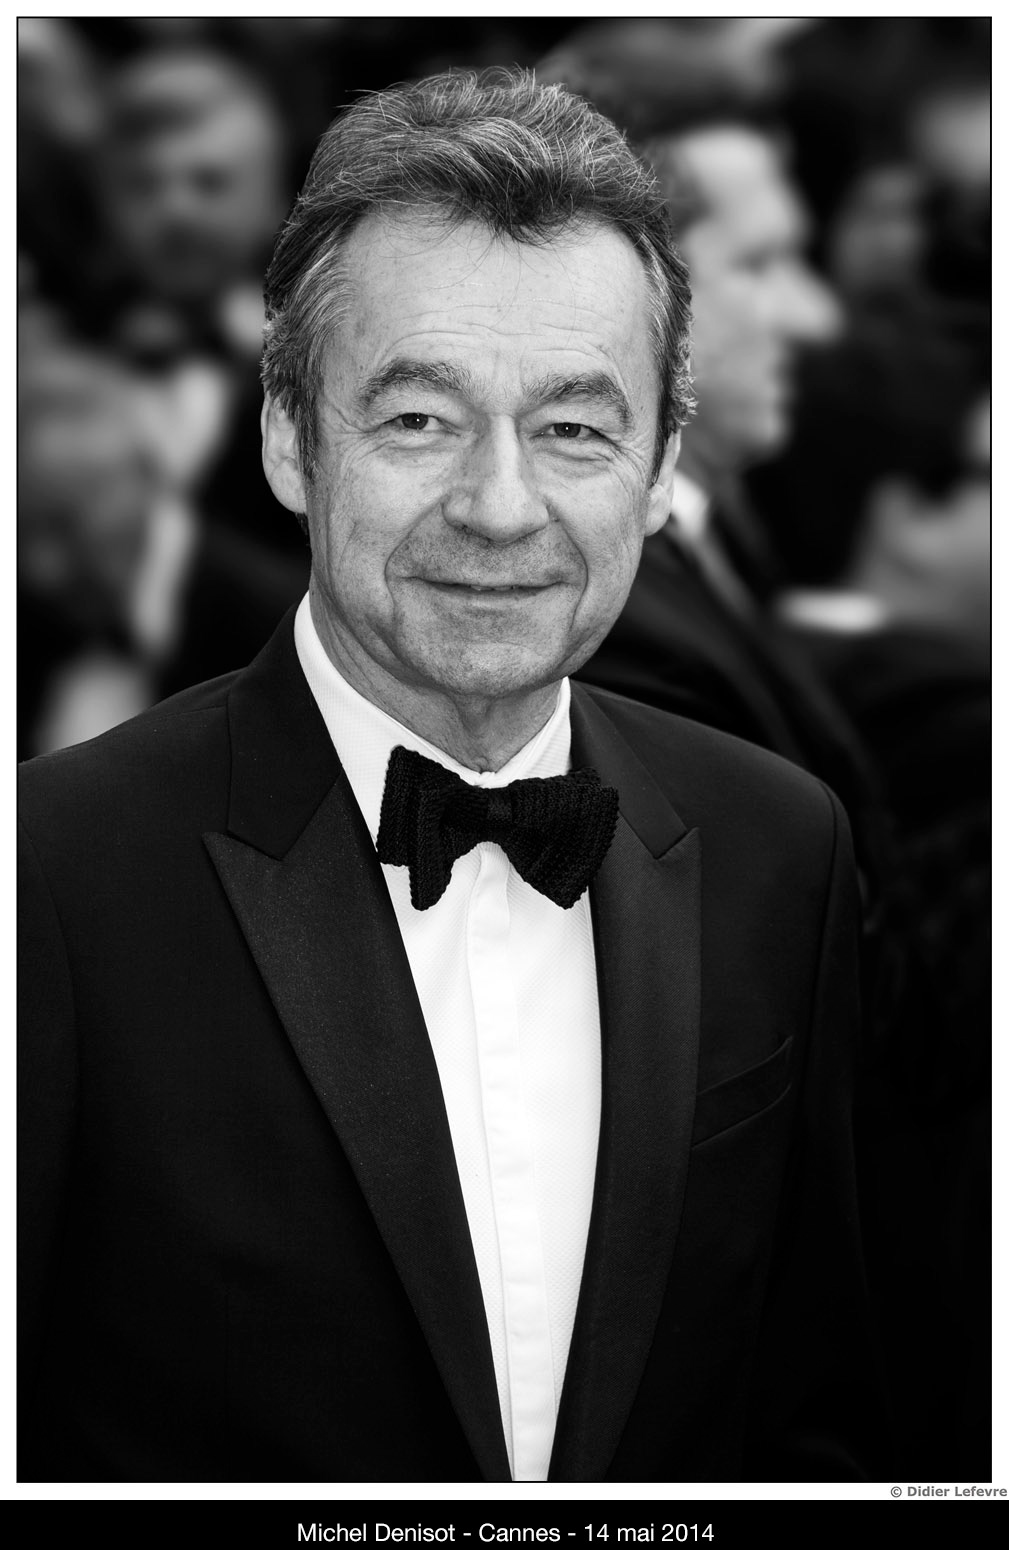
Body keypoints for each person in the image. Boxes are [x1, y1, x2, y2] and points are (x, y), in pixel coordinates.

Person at [19, 68, 882, 1484]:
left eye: (573, 428)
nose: (499, 505)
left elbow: (814, 1409)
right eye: (419, 419)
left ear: (661, 468)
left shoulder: (777, 847)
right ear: (290, 439)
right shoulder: (49, 880)